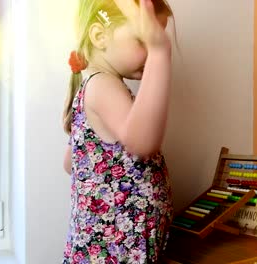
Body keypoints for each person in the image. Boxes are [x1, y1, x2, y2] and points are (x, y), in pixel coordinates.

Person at [62, 0, 174, 263]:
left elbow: (71, 163)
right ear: (100, 36)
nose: (150, 47)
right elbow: (143, 141)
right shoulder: (102, 85)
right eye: (143, 39)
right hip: (115, 254)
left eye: (155, 38)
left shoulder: (98, 87)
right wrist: (160, 52)